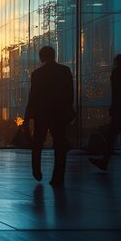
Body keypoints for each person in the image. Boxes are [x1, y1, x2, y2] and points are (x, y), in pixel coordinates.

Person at [23, 46, 75, 186]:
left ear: (42, 57)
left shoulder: (38, 74)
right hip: (59, 114)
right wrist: (68, 111)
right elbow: (70, 94)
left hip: (42, 114)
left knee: (38, 143)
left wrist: (27, 118)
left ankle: (36, 170)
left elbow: (32, 97)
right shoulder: (64, 71)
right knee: (59, 145)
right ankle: (58, 177)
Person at [90, 54, 121, 176]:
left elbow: (117, 93)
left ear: (117, 61)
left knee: (120, 137)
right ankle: (108, 162)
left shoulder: (117, 73)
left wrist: (114, 107)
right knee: (116, 136)